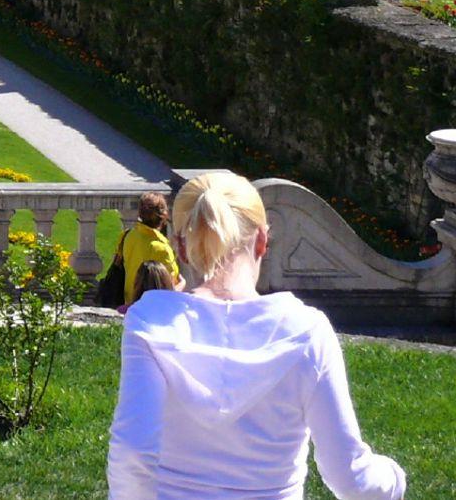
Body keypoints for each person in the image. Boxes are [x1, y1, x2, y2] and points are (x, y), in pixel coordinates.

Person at [108, 172, 406, 500]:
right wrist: (395, 478)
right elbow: (351, 479)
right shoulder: (307, 330)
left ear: (181, 247)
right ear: (262, 240)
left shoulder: (150, 322)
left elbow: (132, 453)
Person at [121, 191, 183, 308]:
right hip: (155, 308)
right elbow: (170, 290)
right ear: (164, 215)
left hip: (131, 303)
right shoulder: (162, 248)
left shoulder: (130, 236)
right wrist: (183, 284)